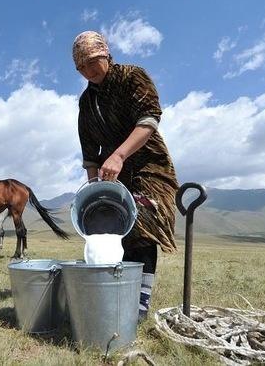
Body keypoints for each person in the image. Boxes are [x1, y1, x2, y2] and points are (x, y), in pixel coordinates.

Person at [72, 31, 179, 320]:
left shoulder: (132, 77)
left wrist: (119, 154)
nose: (88, 71)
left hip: (149, 166)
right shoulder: (86, 102)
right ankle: (118, 294)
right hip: (113, 176)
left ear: (106, 54)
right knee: (112, 227)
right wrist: (94, 187)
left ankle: (140, 307)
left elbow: (149, 119)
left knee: (141, 227)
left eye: (92, 62)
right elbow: (90, 151)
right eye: (81, 67)